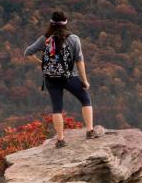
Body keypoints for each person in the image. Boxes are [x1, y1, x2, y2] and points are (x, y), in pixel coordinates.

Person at [24, 11, 101, 147]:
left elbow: (27, 52)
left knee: (57, 108)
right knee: (85, 99)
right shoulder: (73, 39)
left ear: (51, 23)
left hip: (51, 78)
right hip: (69, 77)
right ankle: (90, 131)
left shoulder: (45, 39)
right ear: (66, 23)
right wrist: (84, 80)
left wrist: (42, 63)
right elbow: (79, 61)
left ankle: (60, 140)